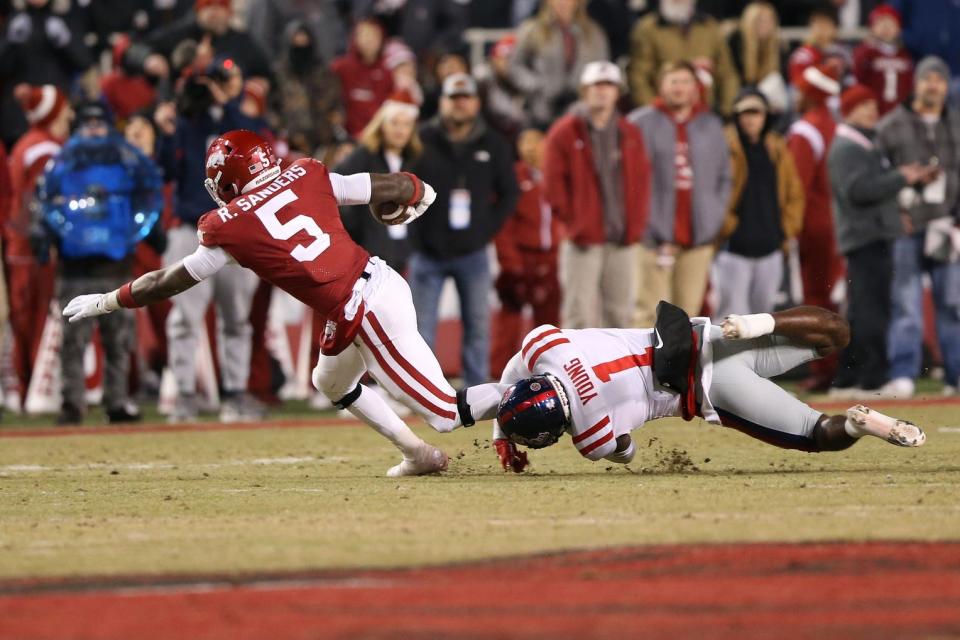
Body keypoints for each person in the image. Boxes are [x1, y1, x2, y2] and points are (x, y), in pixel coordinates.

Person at [63, 130, 510, 476]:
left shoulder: (228, 225)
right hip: (368, 290)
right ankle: (417, 454)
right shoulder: (309, 173)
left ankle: (539, 395)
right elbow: (400, 186)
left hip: (367, 306)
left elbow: (167, 281)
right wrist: (418, 197)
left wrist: (107, 301)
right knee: (330, 381)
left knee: (447, 415)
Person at [490, 304, 926, 473]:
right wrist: (502, 428)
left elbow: (624, 450)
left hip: (713, 389)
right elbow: (515, 367)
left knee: (818, 433)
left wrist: (512, 434)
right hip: (711, 337)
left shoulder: (590, 435)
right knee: (836, 332)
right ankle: (760, 322)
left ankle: (857, 425)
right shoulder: (543, 344)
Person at [37, 101, 164, 425]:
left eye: (99, 121)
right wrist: (43, 236)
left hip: (116, 268)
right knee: (72, 344)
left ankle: (116, 402)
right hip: (75, 269)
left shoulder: (127, 165)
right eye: (87, 121)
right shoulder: (62, 166)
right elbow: (46, 208)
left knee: (119, 342)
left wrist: (153, 232)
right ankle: (72, 404)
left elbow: (144, 201)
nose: (94, 128)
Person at [155, 56, 266, 423]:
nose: (216, 86)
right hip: (192, 228)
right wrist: (168, 128)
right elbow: (168, 167)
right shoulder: (186, 121)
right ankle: (185, 395)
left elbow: (256, 144)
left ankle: (235, 394)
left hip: (237, 228)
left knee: (236, 317)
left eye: (224, 78)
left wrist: (228, 103)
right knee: (185, 319)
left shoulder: (241, 119)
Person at [409, 73, 519, 387]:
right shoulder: (421, 138)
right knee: (419, 328)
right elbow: (404, 187)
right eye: (453, 98)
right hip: (427, 251)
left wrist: (486, 230)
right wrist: (416, 234)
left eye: (465, 98)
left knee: (477, 326)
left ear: (477, 102)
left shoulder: (494, 142)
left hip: (472, 251)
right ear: (442, 102)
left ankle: (477, 392)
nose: (459, 105)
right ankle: (423, 389)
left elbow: (510, 191)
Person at [828, 85, 938, 396]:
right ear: (849, 111)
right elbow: (859, 191)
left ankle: (848, 379)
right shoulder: (848, 147)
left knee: (863, 309)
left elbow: (868, 191)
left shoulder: (859, 144)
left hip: (870, 234)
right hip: (866, 238)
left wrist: (894, 214)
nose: (872, 111)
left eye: (872, 104)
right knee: (871, 311)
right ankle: (871, 378)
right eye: (863, 105)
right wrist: (902, 176)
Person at [876, 56, 960, 398]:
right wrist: (893, 215)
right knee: (906, 303)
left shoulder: (956, 122)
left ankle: (955, 376)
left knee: (953, 304)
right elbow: (877, 176)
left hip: (947, 223)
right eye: (928, 78)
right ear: (917, 83)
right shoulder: (892, 124)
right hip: (908, 228)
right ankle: (904, 373)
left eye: (940, 79)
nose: (934, 85)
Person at [544, 61, 650, 330]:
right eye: (596, 86)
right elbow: (553, 186)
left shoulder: (630, 132)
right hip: (583, 240)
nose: (602, 92)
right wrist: (575, 224)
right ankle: (572, 371)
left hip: (622, 238)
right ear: (584, 90)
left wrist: (635, 226)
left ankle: (615, 372)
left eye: (609, 86)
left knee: (619, 315)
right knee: (578, 313)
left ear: (618, 92)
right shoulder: (564, 132)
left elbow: (641, 182)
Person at [628, 61, 730, 327]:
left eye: (685, 81)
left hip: (697, 239)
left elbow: (724, 177)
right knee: (648, 315)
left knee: (688, 319)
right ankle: (643, 370)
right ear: (661, 85)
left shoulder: (711, 124)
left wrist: (712, 220)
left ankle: (680, 370)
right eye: (673, 81)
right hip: (650, 239)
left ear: (696, 87)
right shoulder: (639, 123)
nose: (679, 88)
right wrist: (645, 226)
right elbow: (628, 180)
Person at [5, 84, 72, 406]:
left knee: (23, 317)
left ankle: (21, 388)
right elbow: (39, 202)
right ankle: (34, 390)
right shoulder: (45, 149)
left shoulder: (27, 144)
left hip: (20, 243)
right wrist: (51, 237)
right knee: (38, 316)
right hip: (35, 246)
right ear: (54, 112)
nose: (70, 113)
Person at [713, 88, 804, 321]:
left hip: (771, 250)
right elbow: (711, 191)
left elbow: (794, 193)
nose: (751, 118)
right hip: (734, 250)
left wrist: (785, 230)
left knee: (764, 321)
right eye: (746, 113)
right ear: (737, 116)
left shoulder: (777, 147)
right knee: (731, 320)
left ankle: (755, 361)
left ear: (765, 116)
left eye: (756, 112)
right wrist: (725, 227)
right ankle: (726, 360)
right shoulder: (724, 146)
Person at [786, 61, 843, 393]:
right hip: (835, 222)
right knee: (830, 298)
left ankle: (823, 368)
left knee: (815, 298)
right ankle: (832, 365)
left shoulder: (805, 131)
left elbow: (797, 187)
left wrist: (790, 230)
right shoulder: (831, 124)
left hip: (813, 226)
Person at [490, 129, 562, 378]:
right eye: (525, 143)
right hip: (521, 256)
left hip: (551, 256)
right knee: (509, 317)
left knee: (549, 320)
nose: (531, 148)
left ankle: (550, 372)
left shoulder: (557, 174)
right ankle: (500, 374)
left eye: (536, 142)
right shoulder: (513, 177)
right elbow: (504, 223)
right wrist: (510, 261)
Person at [336, 100, 422, 275]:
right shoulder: (363, 155)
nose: (400, 130)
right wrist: (357, 231)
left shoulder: (415, 159)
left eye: (406, 124)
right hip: (370, 252)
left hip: (406, 251)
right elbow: (337, 186)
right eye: (394, 123)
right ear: (382, 125)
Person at [0, 0, 93, 146]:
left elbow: (84, 62)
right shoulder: (14, 18)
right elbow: (3, 67)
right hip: (19, 114)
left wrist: (66, 41)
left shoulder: (66, 16)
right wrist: (10, 42)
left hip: (56, 109)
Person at [509, 0, 610, 129]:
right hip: (541, 111)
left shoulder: (594, 34)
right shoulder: (532, 30)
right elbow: (515, 66)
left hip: (582, 112)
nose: (562, 3)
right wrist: (536, 85)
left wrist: (587, 92)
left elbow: (602, 70)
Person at [629, 0, 739, 114]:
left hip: (705, 113)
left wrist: (727, 111)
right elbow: (638, 77)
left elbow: (727, 74)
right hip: (664, 113)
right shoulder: (647, 29)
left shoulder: (710, 27)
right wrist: (653, 113)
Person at [272, 20, 343, 157]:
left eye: (304, 38)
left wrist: (335, 119)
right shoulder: (279, 73)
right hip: (291, 143)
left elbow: (336, 101)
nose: (301, 42)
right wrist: (285, 132)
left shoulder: (323, 71)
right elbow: (271, 107)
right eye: (297, 38)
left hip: (324, 140)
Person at [330, 18, 394, 138]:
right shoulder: (340, 68)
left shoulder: (387, 73)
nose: (369, 40)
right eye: (365, 35)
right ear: (355, 38)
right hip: (346, 137)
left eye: (374, 36)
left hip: (377, 137)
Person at [727, 2, 788, 115]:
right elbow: (732, 78)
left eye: (770, 21)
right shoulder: (736, 43)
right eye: (760, 21)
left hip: (767, 101)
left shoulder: (779, 47)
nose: (765, 25)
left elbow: (782, 79)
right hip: (742, 96)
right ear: (750, 22)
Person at [852, 5, 913, 118]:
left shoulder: (904, 54)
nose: (886, 28)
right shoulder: (867, 52)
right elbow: (858, 77)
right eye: (881, 23)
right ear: (872, 27)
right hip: (874, 110)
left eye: (890, 23)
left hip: (900, 110)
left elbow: (909, 84)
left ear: (898, 28)